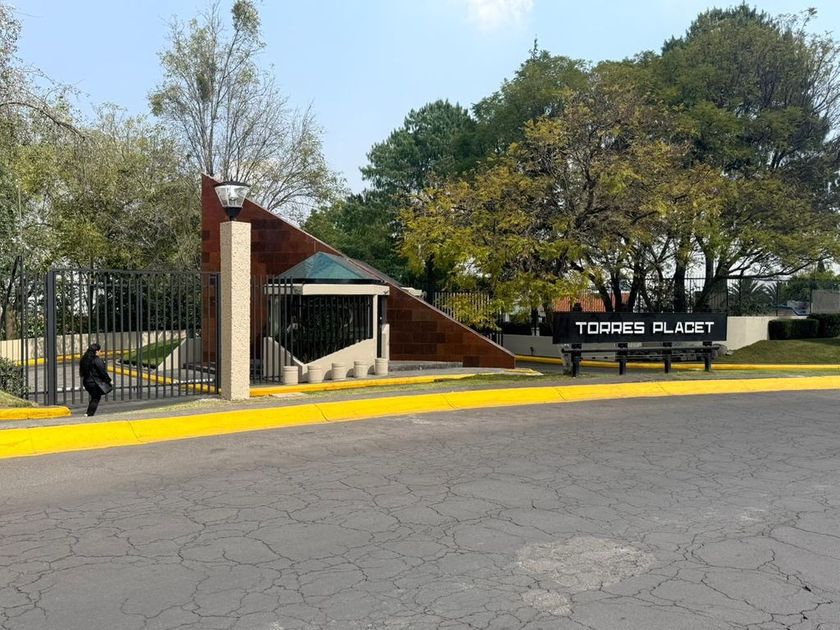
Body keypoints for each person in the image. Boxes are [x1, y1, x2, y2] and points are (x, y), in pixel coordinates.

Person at [79, 343, 112, 417]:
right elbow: (102, 371)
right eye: (100, 351)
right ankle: (89, 414)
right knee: (95, 398)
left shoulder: (84, 359)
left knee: (94, 397)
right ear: (96, 351)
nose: (100, 353)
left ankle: (89, 413)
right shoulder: (97, 360)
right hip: (94, 382)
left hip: (86, 382)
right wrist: (108, 380)